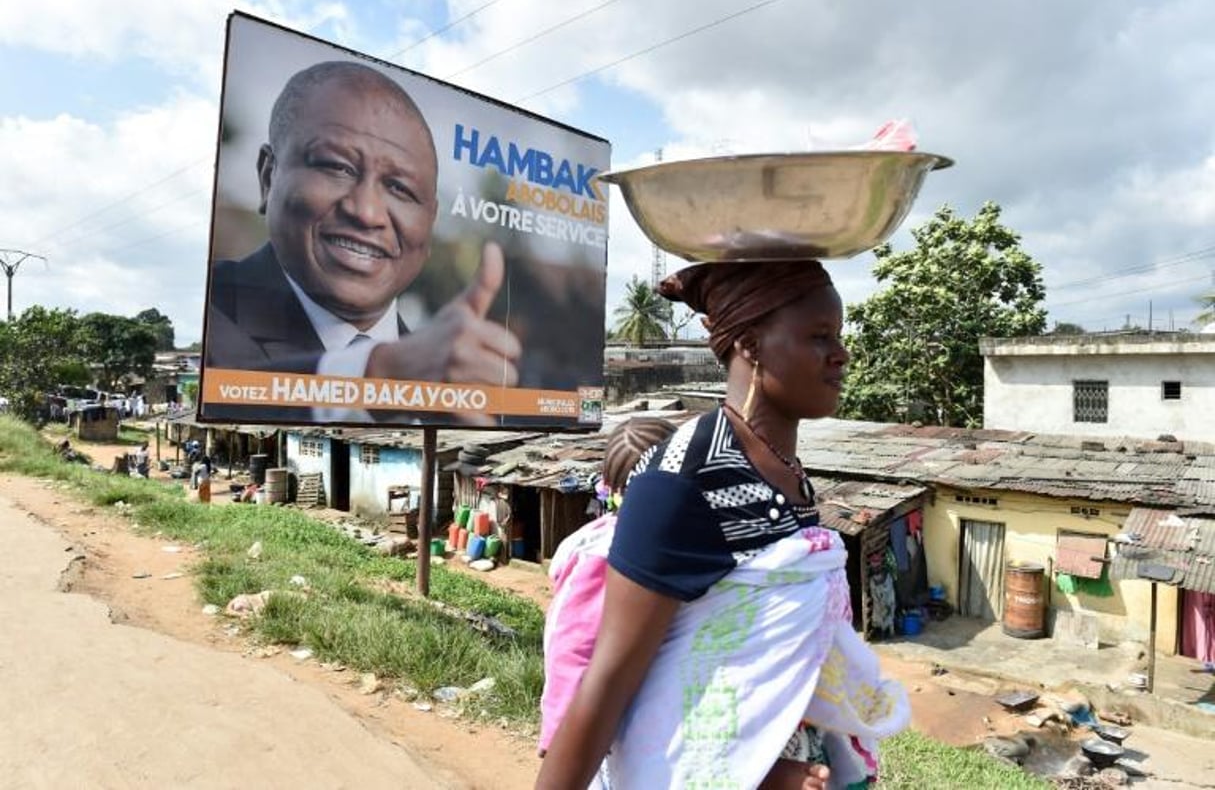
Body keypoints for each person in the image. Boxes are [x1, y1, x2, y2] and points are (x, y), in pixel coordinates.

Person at [536, 260, 909, 790]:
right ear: (751, 346)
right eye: (819, 336)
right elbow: (608, 683)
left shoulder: (784, 471)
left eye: (839, 335)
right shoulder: (683, 480)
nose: (841, 354)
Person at [205, 60, 519, 393]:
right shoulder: (211, 316)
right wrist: (374, 376)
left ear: (430, 223)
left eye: (400, 188)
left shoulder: (451, 383)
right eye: (337, 167)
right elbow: (230, 397)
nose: (367, 213)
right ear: (268, 176)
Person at [539, 416, 678, 758]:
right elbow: (572, 646)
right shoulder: (607, 555)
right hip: (611, 732)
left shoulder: (673, 540)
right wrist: (559, 735)